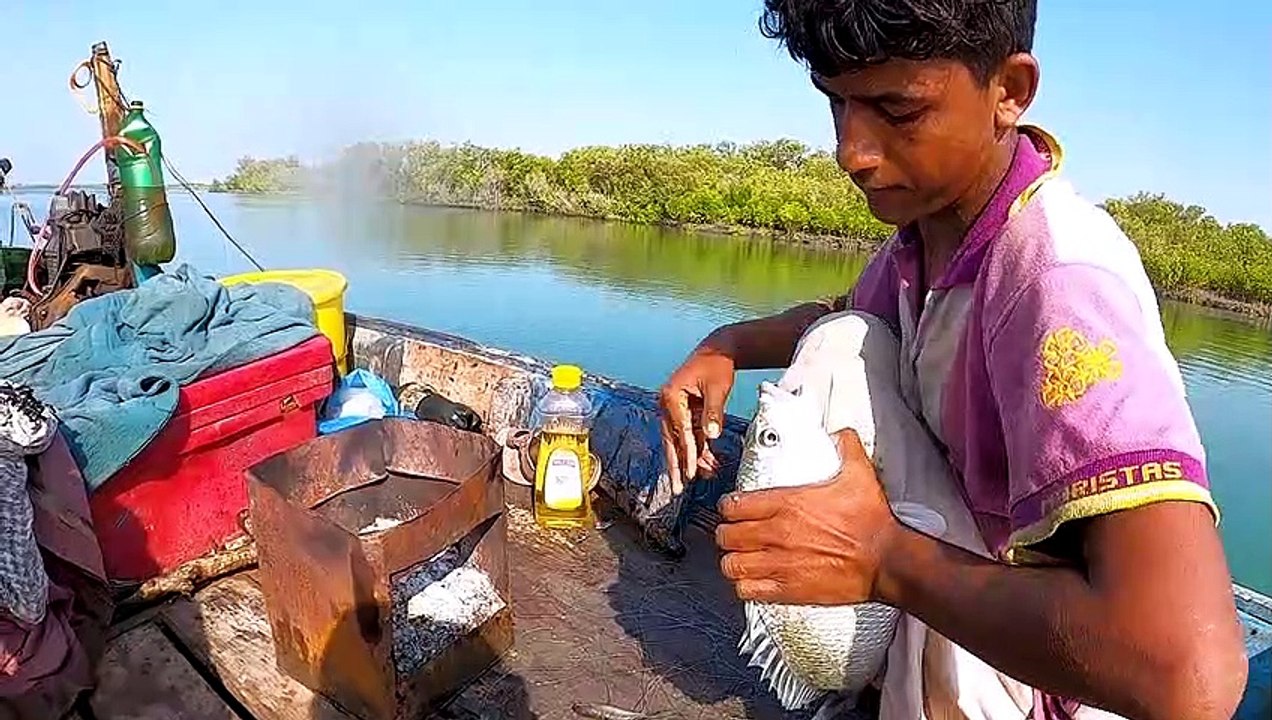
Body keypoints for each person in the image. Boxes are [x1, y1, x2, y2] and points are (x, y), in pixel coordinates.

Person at [656, 2, 1248, 718]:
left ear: (1009, 90)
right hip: (954, 624)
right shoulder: (927, 235)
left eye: (896, 110)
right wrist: (728, 346)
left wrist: (883, 559)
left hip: (1041, 691)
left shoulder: (1058, 278)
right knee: (844, 341)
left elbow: (1189, 677)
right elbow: (844, 319)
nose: (852, 151)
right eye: (836, 104)